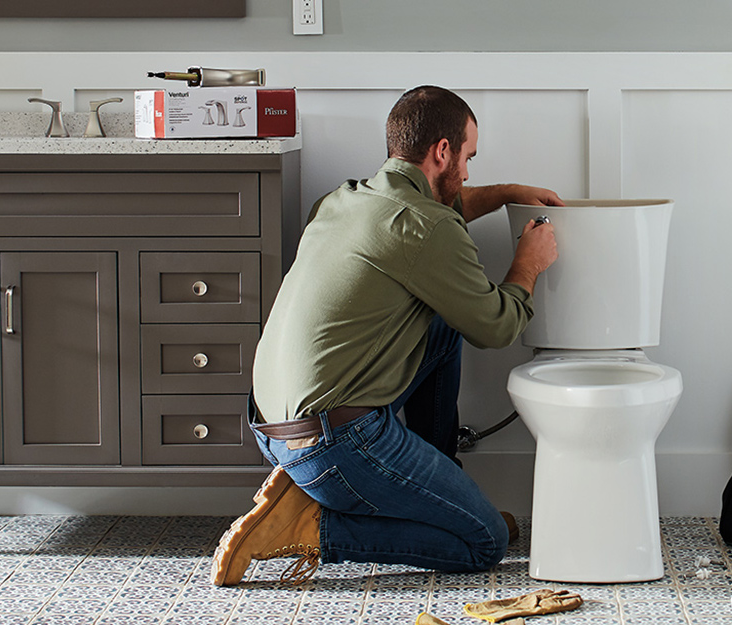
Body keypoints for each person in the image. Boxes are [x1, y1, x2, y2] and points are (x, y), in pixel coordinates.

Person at [211, 85, 561, 586]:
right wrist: (529, 263)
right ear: (443, 150)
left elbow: (432, 214)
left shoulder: (343, 200)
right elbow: (497, 326)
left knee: (441, 327)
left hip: (273, 427)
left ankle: (437, 487)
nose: (467, 173)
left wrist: (506, 194)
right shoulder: (428, 228)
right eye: (468, 158)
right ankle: (314, 528)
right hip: (333, 446)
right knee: (485, 542)